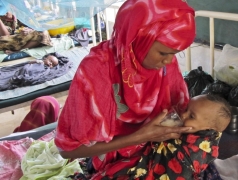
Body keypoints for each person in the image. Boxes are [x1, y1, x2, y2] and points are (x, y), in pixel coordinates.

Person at [54, 0, 196, 179]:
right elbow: (67, 150)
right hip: (113, 162)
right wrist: (140, 137)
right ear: (137, 40)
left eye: (174, 54)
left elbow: (180, 111)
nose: (169, 61)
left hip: (158, 153)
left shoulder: (165, 66)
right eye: (163, 53)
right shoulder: (97, 70)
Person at [101, 94, 232, 179]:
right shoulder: (192, 128)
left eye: (191, 116)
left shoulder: (200, 146)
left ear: (209, 129)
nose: (183, 115)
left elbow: (181, 163)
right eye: (186, 109)